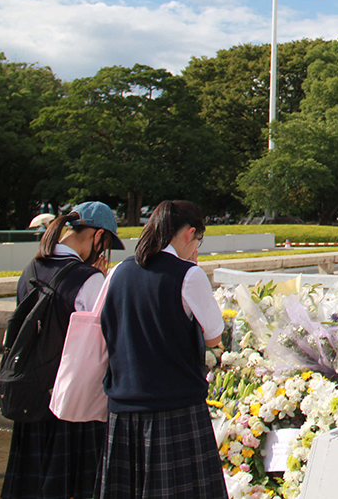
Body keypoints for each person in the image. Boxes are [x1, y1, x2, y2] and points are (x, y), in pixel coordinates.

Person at [97, 200, 225, 499]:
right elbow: (214, 337)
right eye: (198, 242)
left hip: (124, 407)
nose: (196, 249)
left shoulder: (118, 272)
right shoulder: (187, 275)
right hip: (174, 408)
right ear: (188, 234)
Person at [2, 201, 124, 499]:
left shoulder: (32, 266)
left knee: (30, 485)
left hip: (31, 392)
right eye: (105, 243)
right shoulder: (88, 278)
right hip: (70, 404)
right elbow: (107, 340)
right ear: (97, 236)